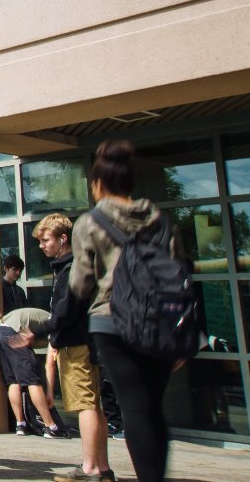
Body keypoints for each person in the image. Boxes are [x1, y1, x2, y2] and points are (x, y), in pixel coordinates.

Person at [71, 140, 180, 482]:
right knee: (153, 408)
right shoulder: (161, 219)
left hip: (113, 322)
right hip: (160, 322)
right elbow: (183, 271)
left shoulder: (91, 221)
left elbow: (81, 282)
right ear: (131, 183)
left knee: (134, 407)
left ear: (98, 184)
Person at [12, 213, 114, 481]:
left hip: (77, 347)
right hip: (85, 344)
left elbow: (64, 314)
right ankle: (102, 468)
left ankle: (90, 468)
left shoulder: (71, 270)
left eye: (46, 240)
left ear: (63, 239)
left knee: (86, 407)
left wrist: (35, 331)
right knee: (94, 406)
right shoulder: (73, 266)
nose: (42, 246)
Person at [0, 307, 65, 439]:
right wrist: (50, 394)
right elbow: (50, 365)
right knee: (32, 380)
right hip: (15, 332)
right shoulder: (56, 327)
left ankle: (20, 425)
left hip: (0, 331)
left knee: (14, 381)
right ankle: (51, 427)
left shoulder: (47, 319)